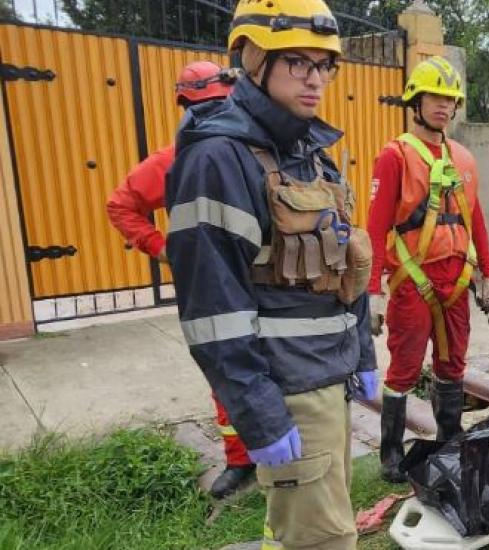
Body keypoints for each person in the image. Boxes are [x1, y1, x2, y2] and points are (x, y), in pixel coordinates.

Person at [166, 0, 377, 546]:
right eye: (297, 63)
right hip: (287, 391)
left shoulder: (310, 151)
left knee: (308, 532)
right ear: (254, 60)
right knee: (324, 541)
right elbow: (212, 310)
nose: (315, 80)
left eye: (324, 65)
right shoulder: (219, 158)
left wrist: (364, 355)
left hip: (329, 381)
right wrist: (259, 414)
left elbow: (347, 260)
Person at [106, 60, 254, 500]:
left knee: (268, 361)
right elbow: (121, 205)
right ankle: (240, 458)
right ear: (187, 106)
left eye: (221, 105)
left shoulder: (253, 150)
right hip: (207, 284)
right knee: (223, 367)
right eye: (205, 106)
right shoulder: (173, 159)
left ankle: (272, 447)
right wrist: (164, 249)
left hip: (257, 275)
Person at [366, 55, 489, 483]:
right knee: (403, 367)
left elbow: (474, 217)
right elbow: (375, 226)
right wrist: (371, 290)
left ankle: (449, 439)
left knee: (452, 364)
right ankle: (390, 453)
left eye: (450, 100)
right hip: (413, 279)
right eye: (434, 97)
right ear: (415, 102)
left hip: (458, 279)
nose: (443, 106)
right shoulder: (394, 156)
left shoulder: (463, 157)